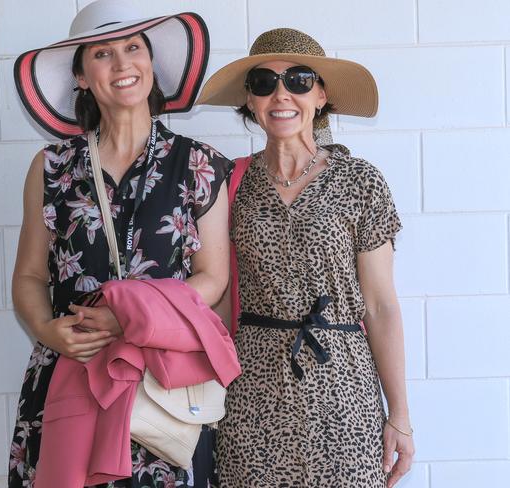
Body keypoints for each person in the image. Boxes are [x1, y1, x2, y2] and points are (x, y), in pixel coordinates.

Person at [8, 1, 232, 486]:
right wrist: (47, 330)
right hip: (72, 369)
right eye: (102, 54)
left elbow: (213, 277)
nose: (122, 64)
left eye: (133, 48)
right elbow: (28, 275)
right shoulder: (50, 168)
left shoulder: (201, 165)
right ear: (82, 77)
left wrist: (130, 316)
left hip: (163, 387)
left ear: (151, 63)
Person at [196, 28, 415, 487]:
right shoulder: (228, 185)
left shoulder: (360, 181)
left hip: (345, 391)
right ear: (250, 101)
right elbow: (215, 298)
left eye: (298, 80)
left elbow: (381, 305)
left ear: (321, 96)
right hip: (251, 392)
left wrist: (400, 416)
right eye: (264, 82)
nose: (281, 95)